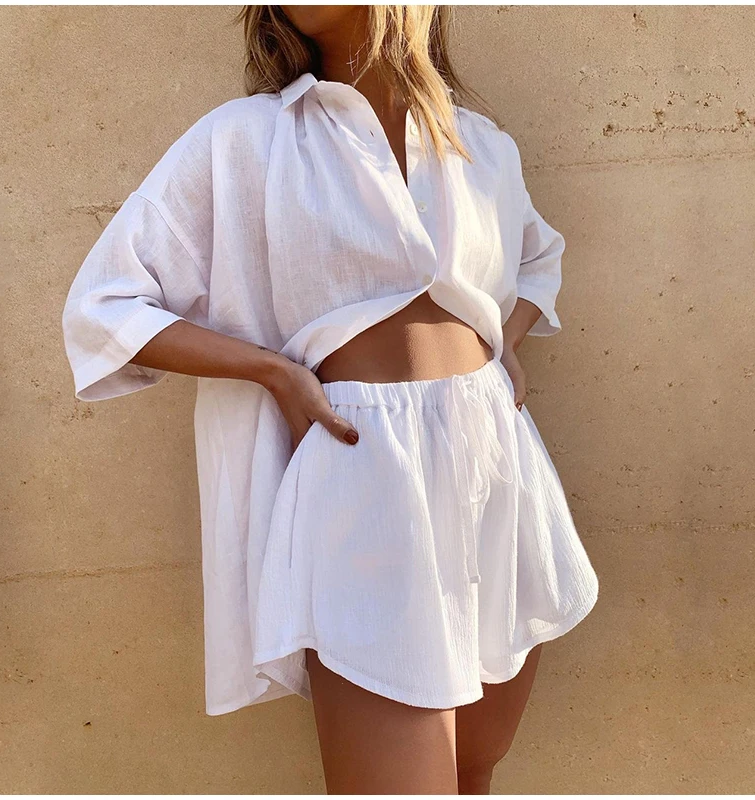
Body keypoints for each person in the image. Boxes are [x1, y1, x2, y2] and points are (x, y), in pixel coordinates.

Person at [61, 5, 599, 794]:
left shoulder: (481, 146)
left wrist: (504, 342)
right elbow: (104, 307)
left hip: (497, 470)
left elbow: (535, 259)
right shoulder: (247, 140)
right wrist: (272, 372)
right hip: (361, 474)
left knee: (472, 772)